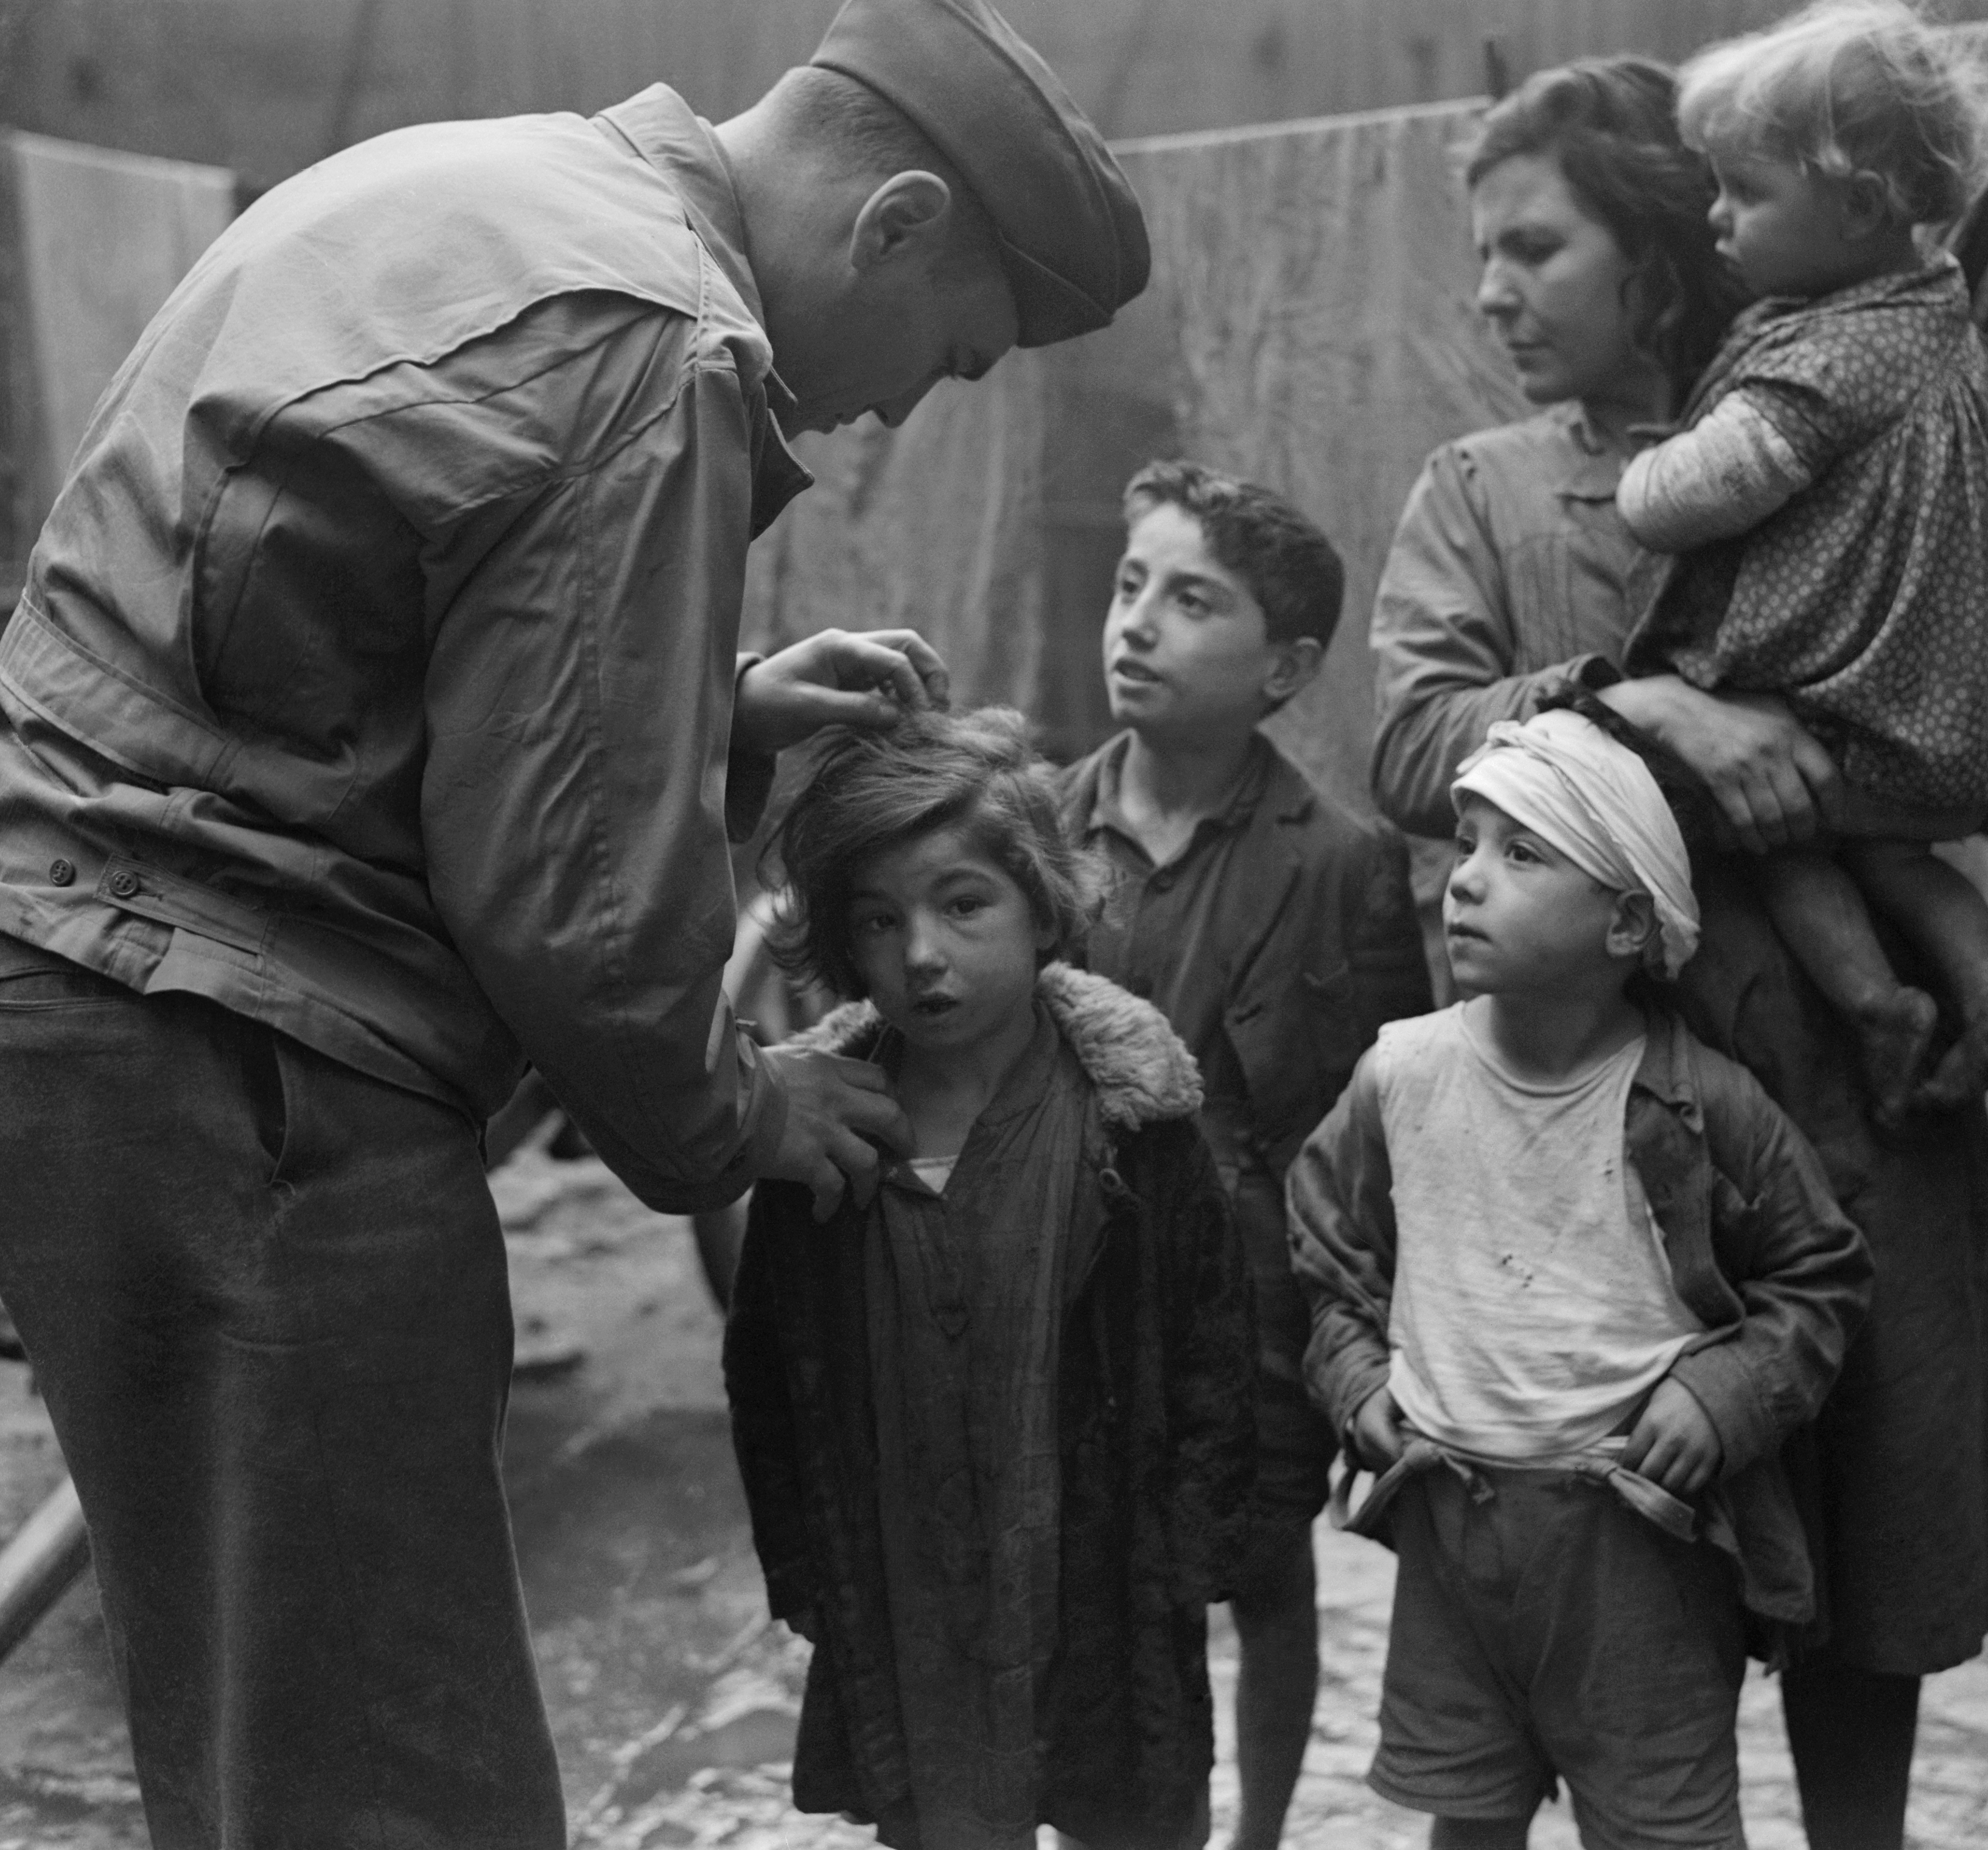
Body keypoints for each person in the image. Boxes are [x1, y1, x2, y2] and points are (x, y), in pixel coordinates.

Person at [0, 2, 1149, 1843]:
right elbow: (583, 923)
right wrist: (747, 1114)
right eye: (946, 360)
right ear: (899, 220)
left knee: (252, 1723)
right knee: (390, 1784)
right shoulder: (662, 347)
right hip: (240, 1054)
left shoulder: (480, 179)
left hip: (88, 989)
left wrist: (710, 696)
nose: (878, 417)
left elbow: (337, 625)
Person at [1369, 57, 1988, 1850]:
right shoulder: (1484, 490)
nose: (1492, 292)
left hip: (1855, 1069)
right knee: (1584, 1554)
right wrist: (1655, 703)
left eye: (1534, 248)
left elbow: (1977, 681)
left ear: (1654, 255)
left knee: (1876, 1547)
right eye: (1483, 255)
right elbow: (1402, 747)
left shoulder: (1851, 411)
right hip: (1595, 1096)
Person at [1290, 707, 1870, 1850]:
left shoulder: (1706, 1107)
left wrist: (1724, 1395)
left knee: (1663, 1830)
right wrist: (1357, 1382)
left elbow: (1819, 1277)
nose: (1466, 881)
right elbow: (1326, 1250)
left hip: (1638, 1549)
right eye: (1465, 845)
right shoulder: (1402, 1074)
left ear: (1624, 924)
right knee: (1468, 1813)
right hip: (1454, 1529)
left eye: (1521, 855)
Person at [726, 706, 1258, 1850]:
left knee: (1120, 1806)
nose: (921, 952)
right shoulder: (824, 1133)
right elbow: (768, 1367)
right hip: (904, 1568)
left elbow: (1211, 1337)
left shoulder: (1131, 1119)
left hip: (1098, 1569)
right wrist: (807, 1568)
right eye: (878, 921)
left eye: (962, 904)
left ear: (1039, 903)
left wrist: (1187, 1555)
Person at [1616, 0, 1988, 1123]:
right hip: (1949, 714)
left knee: (1769, 832)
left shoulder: (1836, 353)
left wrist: (1640, 479)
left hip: (1864, 706)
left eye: (1745, 191)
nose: (1716, 217)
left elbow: (1692, 498)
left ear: (1859, 207)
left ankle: (1877, 1006)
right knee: (1897, 858)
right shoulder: (1934, 309)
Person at [1055, 460, 1432, 1850]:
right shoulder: (1028, 834)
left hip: (1254, 1307)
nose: (1137, 621)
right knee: (1095, 1589)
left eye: (1190, 599)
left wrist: (1361, 1323)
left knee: (1265, 1575)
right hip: (1073, 1295)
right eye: (1129, 583)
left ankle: (1259, 1833)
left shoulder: (1344, 864)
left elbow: (1381, 1125)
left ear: (1286, 666)